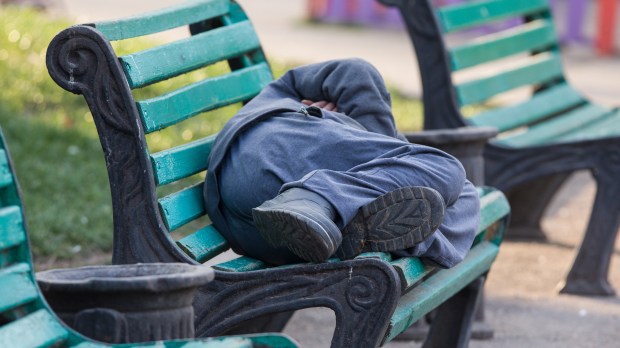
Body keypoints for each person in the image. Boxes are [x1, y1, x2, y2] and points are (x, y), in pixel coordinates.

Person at [204, 58, 480, 267]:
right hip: (281, 160)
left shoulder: (282, 96)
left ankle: (346, 221)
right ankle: (322, 203)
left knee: (451, 191)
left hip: (250, 225)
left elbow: (354, 72)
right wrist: (381, 148)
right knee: (451, 176)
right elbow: (357, 73)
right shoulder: (296, 104)